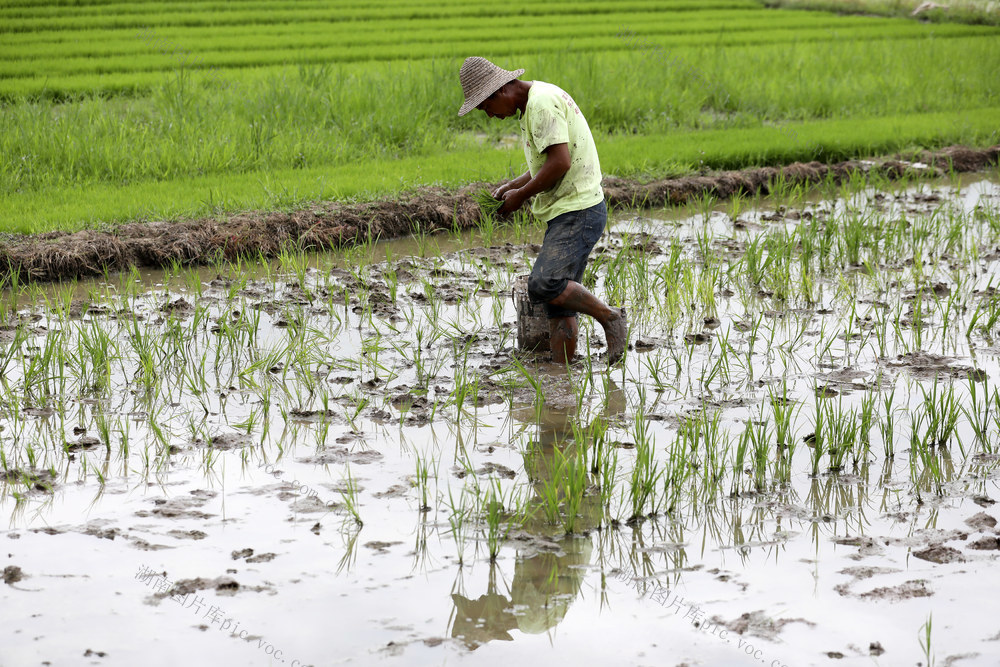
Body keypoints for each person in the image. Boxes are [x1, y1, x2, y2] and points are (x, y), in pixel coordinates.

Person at [457, 56, 627, 365]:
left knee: (544, 284)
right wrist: (514, 184)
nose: (491, 117)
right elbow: (547, 160)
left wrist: (521, 196)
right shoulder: (533, 102)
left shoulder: (540, 105)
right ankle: (562, 371)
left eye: (486, 108)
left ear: (499, 92)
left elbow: (560, 163)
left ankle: (609, 317)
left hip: (578, 209)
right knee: (557, 302)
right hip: (571, 207)